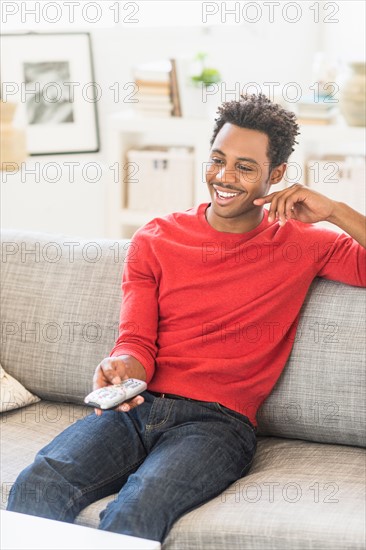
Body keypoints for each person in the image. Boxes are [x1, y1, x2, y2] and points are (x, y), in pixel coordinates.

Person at [7, 94, 366, 544]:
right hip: (136, 408)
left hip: (218, 424)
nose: (224, 176)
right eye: (217, 159)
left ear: (276, 176)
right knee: (39, 483)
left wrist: (334, 211)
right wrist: (121, 368)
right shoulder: (157, 238)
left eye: (245, 167)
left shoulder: (306, 243)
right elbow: (135, 341)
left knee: (139, 506)